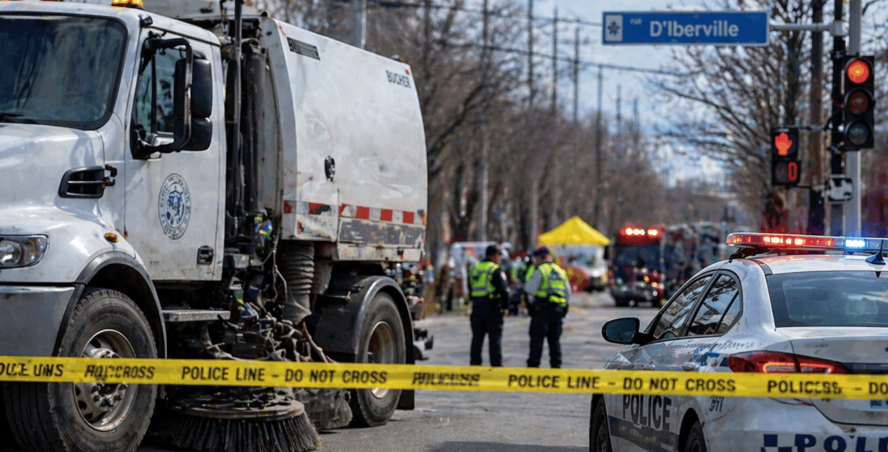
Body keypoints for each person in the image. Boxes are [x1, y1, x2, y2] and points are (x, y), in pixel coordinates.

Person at [524, 246, 571, 368]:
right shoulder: (560, 271)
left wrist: (531, 307)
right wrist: (563, 308)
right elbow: (568, 293)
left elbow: (529, 290)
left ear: (541, 257)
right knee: (554, 342)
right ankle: (556, 369)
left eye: (536, 258)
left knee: (536, 341)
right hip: (557, 311)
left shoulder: (541, 270)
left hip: (542, 310)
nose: (535, 261)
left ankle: (533, 370)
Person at [469, 245, 510, 367]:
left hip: (476, 307)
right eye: (499, 256)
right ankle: (496, 367)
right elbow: (504, 291)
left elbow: (470, 287)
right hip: (491, 308)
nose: (500, 258)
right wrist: (505, 307)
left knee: (477, 338)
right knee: (495, 339)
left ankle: (475, 366)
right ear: (494, 255)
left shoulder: (475, 268)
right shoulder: (494, 269)